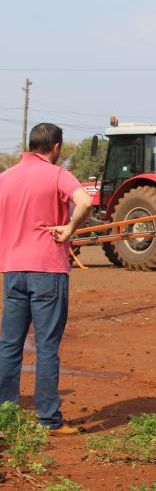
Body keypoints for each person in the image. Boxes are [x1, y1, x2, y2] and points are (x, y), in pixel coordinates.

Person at [0, 123, 93, 434]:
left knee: (10, 345)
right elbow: (85, 202)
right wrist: (69, 229)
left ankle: (6, 416)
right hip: (48, 271)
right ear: (56, 148)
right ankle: (48, 420)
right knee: (47, 347)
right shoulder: (57, 174)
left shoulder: (6, 177)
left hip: (13, 270)